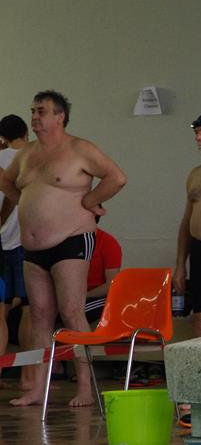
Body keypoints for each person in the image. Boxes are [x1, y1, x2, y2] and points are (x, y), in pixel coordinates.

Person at [0, 90, 126, 407]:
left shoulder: (80, 149)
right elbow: (6, 182)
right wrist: (27, 203)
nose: (34, 117)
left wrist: (89, 201)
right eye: (32, 110)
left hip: (72, 240)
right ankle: (38, 388)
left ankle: (85, 386)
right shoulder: (26, 154)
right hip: (33, 249)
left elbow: (116, 178)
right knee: (40, 317)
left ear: (60, 116)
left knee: (71, 312)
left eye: (41, 111)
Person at [174, 111, 201, 337]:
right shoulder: (195, 174)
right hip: (200, 249)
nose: (198, 138)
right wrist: (180, 264)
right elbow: (187, 222)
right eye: (196, 133)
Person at [0, 114, 31, 387]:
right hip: (24, 242)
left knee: (1, 311)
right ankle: (29, 378)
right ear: (26, 132)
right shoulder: (31, 157)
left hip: (1, 244)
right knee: (31, 311)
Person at [84, 215, 121, 323]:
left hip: (95, 297)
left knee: (72, 311)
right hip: (68, 295)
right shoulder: (64, 242)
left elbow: (111, 284)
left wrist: (84, 296)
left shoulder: (107, 242)